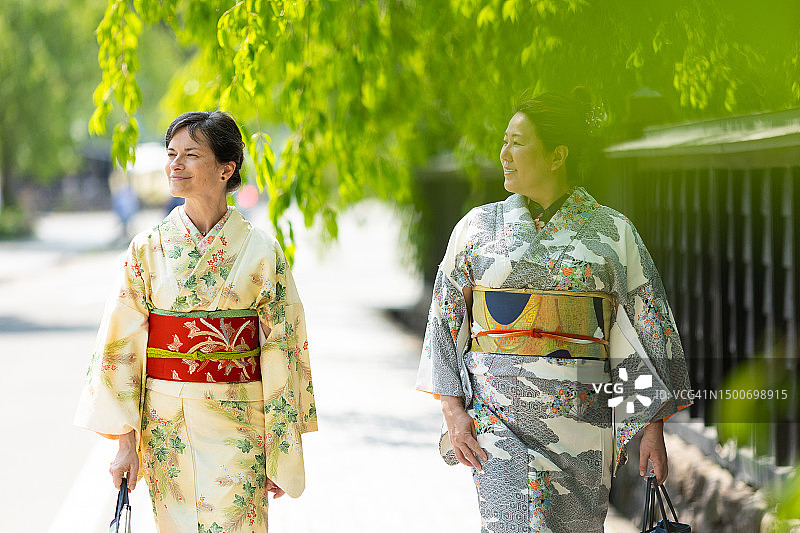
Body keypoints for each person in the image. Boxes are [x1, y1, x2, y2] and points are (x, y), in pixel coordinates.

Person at [416, 90, 692, 533]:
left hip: (583, 427)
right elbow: (445, 320)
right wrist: (454, 412)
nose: (504, 154)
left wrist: (651, 430)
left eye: (518, 142)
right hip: (497, 422)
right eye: (504, 141)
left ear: (557, 155)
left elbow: (647, 329)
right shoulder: (476, 228)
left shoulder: (612, 234)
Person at [75, 111, 317, 533]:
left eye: (190, 154)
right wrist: (125, 446)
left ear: (227, 168)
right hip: (167, 426)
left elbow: (284, 350)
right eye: (172, 154)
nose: (175, 165)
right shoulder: (147, 249)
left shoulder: (262, 251)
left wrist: (282, 448)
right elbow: (122, 351)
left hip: (241, 423)